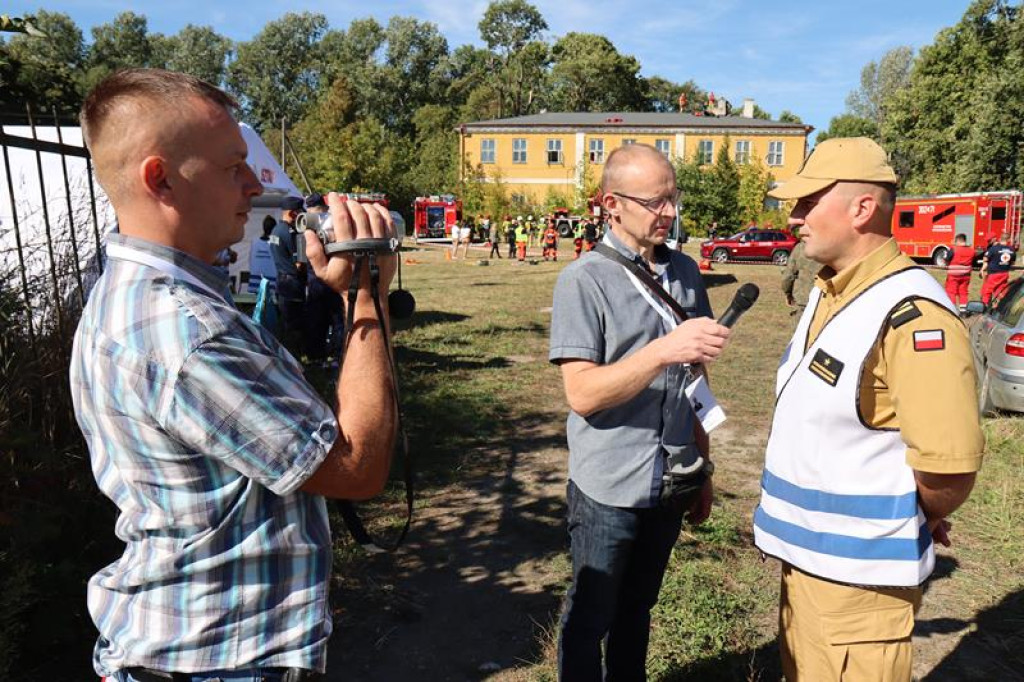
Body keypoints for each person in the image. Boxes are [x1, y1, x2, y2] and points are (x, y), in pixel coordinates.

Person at [70, 68, 399, 681]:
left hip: (188, 647)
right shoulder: (189, 332)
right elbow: (356, 467)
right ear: (160, 177)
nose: (254, 185)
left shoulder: (130, 294)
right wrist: (365, 299)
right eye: (232, 167)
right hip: (222, 662)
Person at [753, 137, 984, 682]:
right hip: (810, 567)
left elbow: (948, 468)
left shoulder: (913, 314)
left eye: (809, 202)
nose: (795, 218)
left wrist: (913, 512)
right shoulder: (831, 289)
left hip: (858, 583)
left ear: (861, 209)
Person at [549, 143, 731, 681]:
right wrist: (661, 351)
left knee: (637, 611)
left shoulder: (687, 273)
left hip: (671, 478)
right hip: (609, 485)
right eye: (655, 202)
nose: (669, 212)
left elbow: (697, 378)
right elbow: (582, 394)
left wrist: (704, 467)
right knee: (590, 618)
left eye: (672, 198)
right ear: (612, 204)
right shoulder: (583, 280)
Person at [269, 195, 307, 353]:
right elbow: (300, 263)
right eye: (300, 213)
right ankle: (295, 357)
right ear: (293, 213)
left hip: (282, 281)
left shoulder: (276, 230)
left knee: (286, 322)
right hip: (293, 284)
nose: (302, 217)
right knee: (296, 324)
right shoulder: (291, 233)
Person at [780, 240, 817, 316]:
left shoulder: (801, 248)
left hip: (804, 301)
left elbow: (788, 276)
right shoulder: (835, 246)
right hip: (829, 302)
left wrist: (788, 293)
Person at [980, 233, 1016, 307]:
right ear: (1008, 240)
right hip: (1005, 273)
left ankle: (984, 307)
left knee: (987, 291)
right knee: (1000, 291)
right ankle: (999, 307)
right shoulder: (1012, 250)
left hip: (994, 274)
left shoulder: (994, 248)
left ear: (1000, 239)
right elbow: (1012, 263)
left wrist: (982, 269)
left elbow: (985, 259)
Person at [247, 215, 278, 294]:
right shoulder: (276, 241)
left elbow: (250, 260)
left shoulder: (254, 241)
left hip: (254, 284)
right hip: (271, 285)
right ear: (274, 228)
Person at [945, 233, 974, 310]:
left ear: (957, 240)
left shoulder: (954, 249)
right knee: (963, 293)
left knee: (951, 292)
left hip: (954, 275)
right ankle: (963, 310)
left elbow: (947, 259)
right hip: (965, 276)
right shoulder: (971, 250)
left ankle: (952, 309)